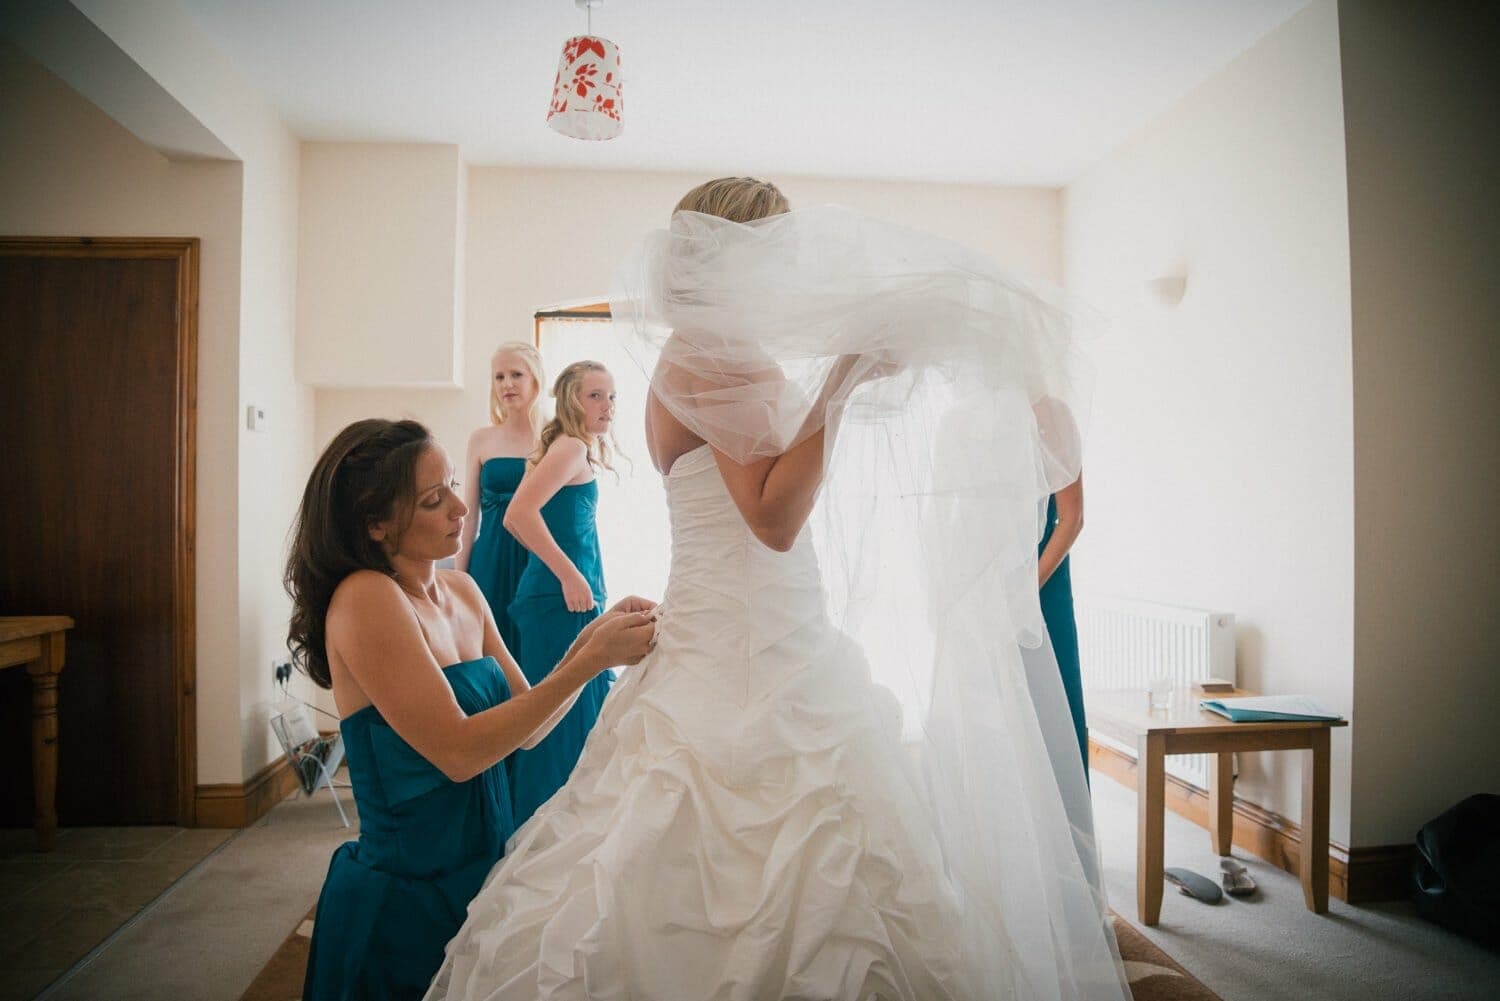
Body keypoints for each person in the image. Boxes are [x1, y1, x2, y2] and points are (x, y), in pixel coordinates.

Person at [427, 180, 1129, 1000]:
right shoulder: (709, 355)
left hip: (770, 625)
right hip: (742, 640)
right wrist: (843, 378)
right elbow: (771, 517)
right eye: (777, 252)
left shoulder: (709, 351)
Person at [284, 418, 655, 1001]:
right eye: (434, 500)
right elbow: (459, 752)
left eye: (453, 485)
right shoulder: (366, 598)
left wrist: (592, 639)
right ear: (375, 523)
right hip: (408, 893)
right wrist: (587, 664)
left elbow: (525, 729)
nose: (462, 507)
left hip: (484, 869)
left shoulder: (462, 591)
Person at [501, 361, 619, 826]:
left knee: (570, 721)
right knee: (555, 729)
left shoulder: (577, 449)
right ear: (571, 400)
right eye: (595, 396)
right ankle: (539, 838)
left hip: (571, 598)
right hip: (558, 601)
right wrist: (571, 576)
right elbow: (518, 514)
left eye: (611, 396)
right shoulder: (569, 447)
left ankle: (562, 838)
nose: (607, 406)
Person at [457, 342, 546, 657]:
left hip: (538, 560)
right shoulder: (481, 439)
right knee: (491, 656)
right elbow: (468, 517)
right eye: (499, 377)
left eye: (516, 374)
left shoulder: (554, 439)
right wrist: (458, 580)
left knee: (537, 654)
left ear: (535, 379)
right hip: (490, 561)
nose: (507, 384)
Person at [1039, 474, 1088, 774]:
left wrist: (1025, 593)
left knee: (1052, 710)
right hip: (984, 592)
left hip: (1041, 585)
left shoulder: (1051, 424)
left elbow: (1072, 518)